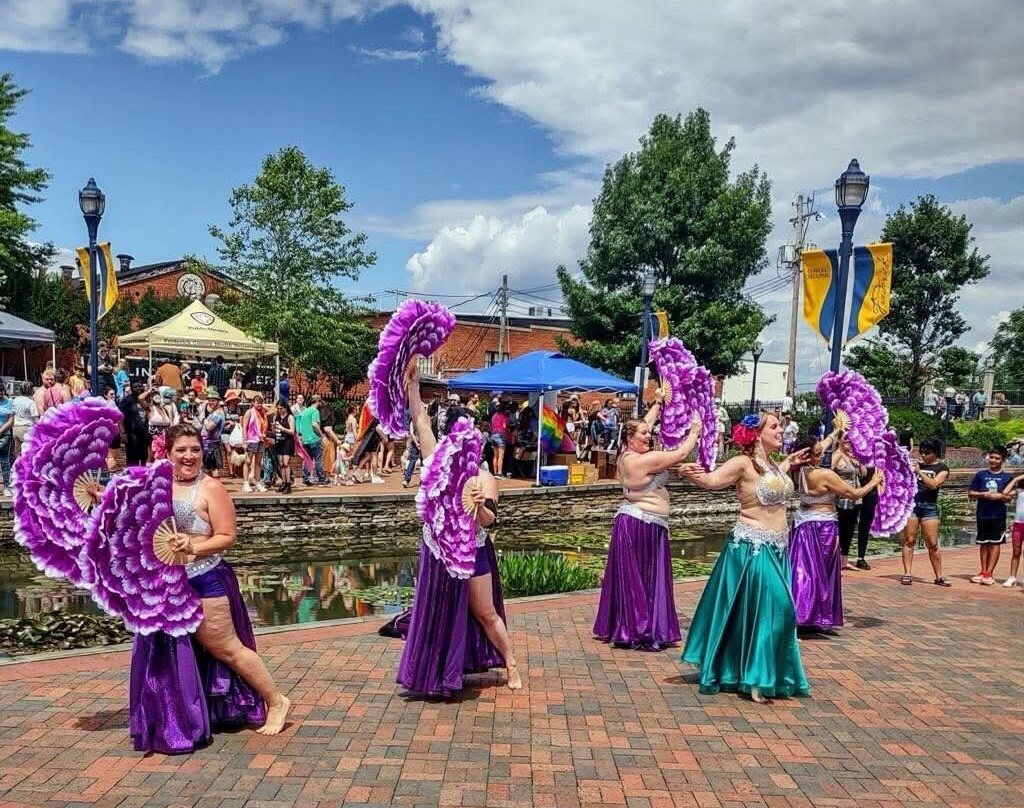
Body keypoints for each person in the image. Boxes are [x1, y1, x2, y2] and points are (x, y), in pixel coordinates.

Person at [139, 423, 290, 743]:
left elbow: (226, 536)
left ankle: (276, 701)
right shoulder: (157, 482)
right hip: (167, 583)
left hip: (204, 577)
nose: (189, 456)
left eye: (194, 449)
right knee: (171, 653)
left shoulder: (210, 488)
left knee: (226, 648)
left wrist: (195, 546)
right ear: (168, 452)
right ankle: (181, 717)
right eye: (181, 450)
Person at [396, 366, 521, 695]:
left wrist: (479, 506)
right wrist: (413, 384)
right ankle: (437, 674)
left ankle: (511, 663)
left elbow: (490, 521)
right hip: (438, 550)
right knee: (436, 612)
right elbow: (421, 418)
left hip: (473, 550)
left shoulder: (483, 476)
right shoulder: (435, 459)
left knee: (485, 611)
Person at [680, 412, 811, 702]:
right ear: (757, 433)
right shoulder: (741, 462)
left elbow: (774, 487)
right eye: (775, 426)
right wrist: (691, 472)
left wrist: (790, 463)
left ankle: (753, 672)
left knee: (767, 612)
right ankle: (756, 677)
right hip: (752, 546)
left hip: (777, 548)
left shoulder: (774, 463)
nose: (781, 430)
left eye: (780, 425)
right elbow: (714, 481)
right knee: (779, 608)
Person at [593, 390, 701, 651]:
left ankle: (634, 624)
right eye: (643, 434)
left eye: (648, 432)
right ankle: (638, 628)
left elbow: (645, 425)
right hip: (641, 525)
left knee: (642, 577)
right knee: (641, 578)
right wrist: (697, 427)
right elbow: (681, 452)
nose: (648, 435)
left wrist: (659, 402)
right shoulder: (643, 460)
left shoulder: (630, 455)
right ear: (630, 438)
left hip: (644, 524)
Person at [789, 436, 880, 631]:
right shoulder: (824, 475)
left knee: (804, 570)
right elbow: (853, 494)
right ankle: (814, 615)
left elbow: (820, 445)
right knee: (823, 571)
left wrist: (836, 431)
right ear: (808, 456)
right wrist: (874, 482)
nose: (823, 455)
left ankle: (803, 612)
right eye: (818, 453)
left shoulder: (798, 471)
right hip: (823, 525)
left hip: (802, 523)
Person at [901, 438, 951, 586]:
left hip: (929, 506)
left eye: (927, 453)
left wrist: (919, 473)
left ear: (935, 453)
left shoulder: (942, 468)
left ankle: (939, 576)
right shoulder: (917, 464)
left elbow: (934, 485)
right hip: (912, 505)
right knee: (909, 540)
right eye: (921, 452)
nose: (923, 455)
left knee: (932, 542)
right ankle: (907, 573)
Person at [968, 447, 1013, 585]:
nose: (993, 460)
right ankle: (983, 571)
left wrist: (1000, 496)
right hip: (982, 514)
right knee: (983, 544)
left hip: (997, 515)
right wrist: (983, 494)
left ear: (1003, 460)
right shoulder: (980, 475)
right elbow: (971, 493)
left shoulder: (1007, 478)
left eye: (997, 458)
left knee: (995, 543)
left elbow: (1009, 497)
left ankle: (989, 573)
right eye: (991, 457)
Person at [832, 438, 868, 571]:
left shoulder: (851, 457)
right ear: (839, 440)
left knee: (850, 529)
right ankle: (835, 560)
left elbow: (863, 473)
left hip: (855, 496)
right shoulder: (837, 456)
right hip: (842, 497)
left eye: (850, 440)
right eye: (845, 439)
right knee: (841, 528)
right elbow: (829, 472)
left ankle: (844, 560)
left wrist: (859, 461)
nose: (849, 442)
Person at [118, 380, 152, 467]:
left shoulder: (147, 399)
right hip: (132, 433)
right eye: (135, 387)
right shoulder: (127, 400)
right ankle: (132, 477)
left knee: (143, 456)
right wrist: (123, 433)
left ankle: (142, 476)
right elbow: (120, 417)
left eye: (140, 386)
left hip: (144, 433)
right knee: (132, 458)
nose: (138, 388)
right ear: (131, 388)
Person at [1000, 471, 1024, 587]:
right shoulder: (1020, 490)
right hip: (1019, 524)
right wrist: (1016, 479)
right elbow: (1005, 492)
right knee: (1016, 551)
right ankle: (1012, 577)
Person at [296, 398, 327, 486]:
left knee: (307, 459)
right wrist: (321, 435)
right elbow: (314, 424)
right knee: (318, 460)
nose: (321, 403)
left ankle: (305, 479)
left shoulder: (305, 411)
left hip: (305, 439)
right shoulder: (315, 411)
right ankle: (321, 479)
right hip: (314, 439)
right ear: (317, 401)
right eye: (320, 401)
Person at [241, 395, 268, 493]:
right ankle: (245, 482)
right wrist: (244, 440)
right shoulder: (249, 412)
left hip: (261, 439)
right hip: (251, 439)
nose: (259, 404)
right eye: (257, 402)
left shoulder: (263, 412)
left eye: (261, 402)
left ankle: (257, 482)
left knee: (258, 462)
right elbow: (244, 426)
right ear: (253, 402)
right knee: (248, 461)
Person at [147, 387, 179, 462]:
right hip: (153, 435)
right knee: (151, 458)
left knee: (164, 458)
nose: (156, 396)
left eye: (158, 394)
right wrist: (149, 391)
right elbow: (140, 398)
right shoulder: (150, 408)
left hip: (164, 436)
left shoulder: (166, 408)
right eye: (154, 395)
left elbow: (170, 423)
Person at [10, 381, 38, 459]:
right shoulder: (31, 403)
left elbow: (12, 414)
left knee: (18, 452)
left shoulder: (15, 400)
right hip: (26, 429)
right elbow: (36, 419)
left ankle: (17, 469)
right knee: (27, 453)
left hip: (15, 429)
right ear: (30, 390)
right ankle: (25, 470)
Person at [200, 391, 226, 477]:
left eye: (213, 400)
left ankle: (214, 488)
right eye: (210, 400)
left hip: (211, 444)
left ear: (218, 401)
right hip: (209, 443)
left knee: (212, 469)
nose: (211, 402)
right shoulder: (215, 413)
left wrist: (204, 420)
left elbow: (209, 427)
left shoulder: (217, 414)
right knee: (209, 468)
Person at [273, 400, 295, 494]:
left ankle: (288, 483)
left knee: (286, 463)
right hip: (279, 441)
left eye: (281, 408)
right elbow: (274, 430)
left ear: (285, 408)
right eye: (278, 409)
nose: (279, 410)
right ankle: (283, 482)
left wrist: (283, 428)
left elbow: (292, 431)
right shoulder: (276, 417)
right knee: (281, 463)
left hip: (287, 441)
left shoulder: (290, 417)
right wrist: (274, 428)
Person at [221, 389, 242, 471]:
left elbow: (240, 421)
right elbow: (221, 421)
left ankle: (234, 469)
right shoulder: (224, 410)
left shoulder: (238, 410)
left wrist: (234, 424)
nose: (234, 402)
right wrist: (228, 422)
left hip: (235, 432)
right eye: (232, 400)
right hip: (225, 432)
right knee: (229, 451)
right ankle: (231, 471)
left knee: (234, 451)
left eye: (235, 400)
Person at [490, 401, 509, 478]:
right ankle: (499, 473)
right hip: (501, 435)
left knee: (495, 455)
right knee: (501, 455)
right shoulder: (503, 416)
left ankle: (495, 472)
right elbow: (504, 426)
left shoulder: (494, 416)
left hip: (493, 435)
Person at [0, 385, 13, 497]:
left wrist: (1, 430)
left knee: (5, 460)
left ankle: (6, 486)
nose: (0, 393)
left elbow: (11, 420)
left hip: (4, 434)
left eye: (1, 390)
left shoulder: (9, 402)